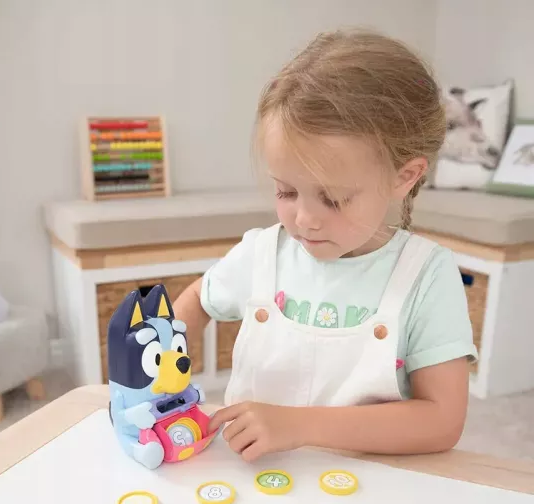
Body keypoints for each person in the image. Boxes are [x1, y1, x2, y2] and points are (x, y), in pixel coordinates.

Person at [173, 29, 477, 461]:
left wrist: (299, 425)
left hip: (364, 484)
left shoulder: (427, 276)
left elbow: (442, 422)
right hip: (252, 480)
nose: (304, 219)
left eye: (333, 199)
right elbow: (197, 301)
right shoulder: (261, 254)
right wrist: (162, 365)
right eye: (286, 191)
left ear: (404, 177)